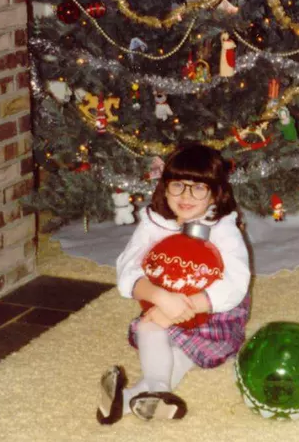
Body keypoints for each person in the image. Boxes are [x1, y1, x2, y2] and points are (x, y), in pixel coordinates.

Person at [97, 144, 251, 424]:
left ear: (215, 192)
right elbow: (127, 269)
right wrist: (161, 297)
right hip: (164, 300)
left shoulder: (222, 227)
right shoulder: (154, 222)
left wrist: (188, 304)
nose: (186, 196)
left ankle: (131, 399)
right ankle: (157, 393)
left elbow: (237, 282)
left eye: (198, 188)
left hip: (213, 311)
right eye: (178, 185)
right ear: (164, 187)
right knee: (159, 332)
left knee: (164, 338)